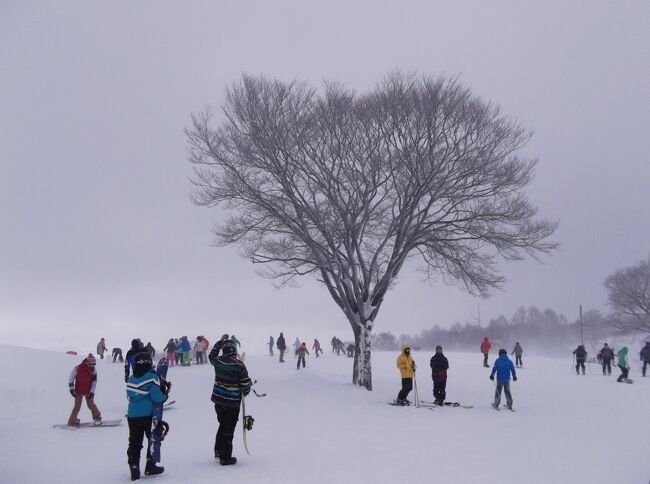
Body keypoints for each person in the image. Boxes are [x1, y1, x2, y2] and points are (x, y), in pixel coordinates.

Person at [126, 351, 168, 480]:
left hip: (132, 415)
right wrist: (165, 393)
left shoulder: (131, 379)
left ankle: (134, 468)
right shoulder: (151, 377)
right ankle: (150, 466)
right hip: (149, 415)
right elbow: (157, 398)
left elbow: (129, 396)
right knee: (153, 440)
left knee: (134, 442)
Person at [210, 340, 251, 466]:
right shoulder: (239, 365)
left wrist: (218, 343)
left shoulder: (218, 362)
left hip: (218, 401)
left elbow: (211, 356)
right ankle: (225, 457)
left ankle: (218, 451)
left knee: (222, 425)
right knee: (228, 429)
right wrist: (247, 388)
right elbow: (245, 385)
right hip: (232, 403)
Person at [67, 353, 102, 426]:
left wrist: (92, 392)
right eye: (91, 364)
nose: (92, 366)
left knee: (91, 404)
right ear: (87, 362)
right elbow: (71, 378)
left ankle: (97, 418)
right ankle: (72, 421)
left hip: (88, 390)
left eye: (94, 364)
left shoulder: (94, 370)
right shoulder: (78, 368)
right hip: (78, 390)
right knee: (77, 406)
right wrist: (71, 389)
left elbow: (94, 382)